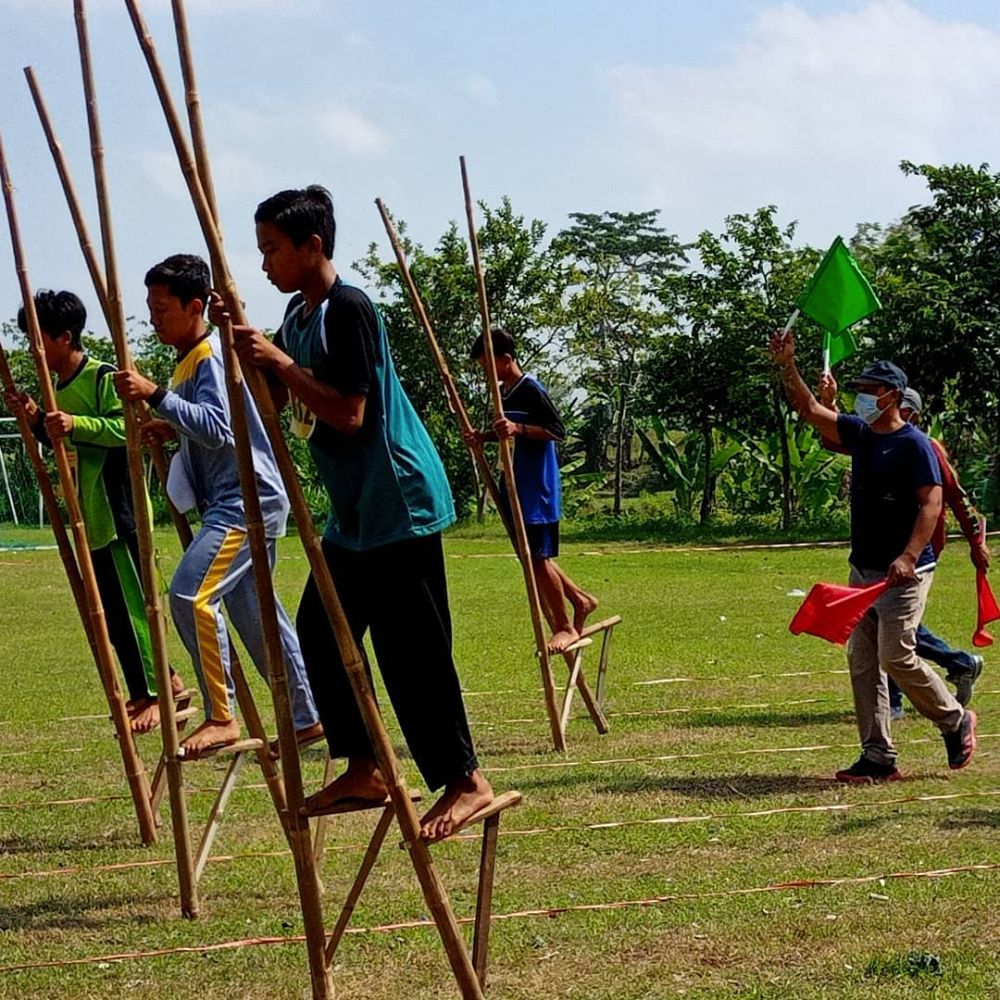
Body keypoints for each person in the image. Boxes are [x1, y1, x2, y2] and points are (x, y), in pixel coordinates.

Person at [225, 185, 492, 840]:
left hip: (398, 501)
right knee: (320, 632)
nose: (264, 265)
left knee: (413, 653)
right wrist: (239, 339)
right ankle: (366, 765)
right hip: (355, 516)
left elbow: (347, 413)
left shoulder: (350, 310)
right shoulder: (298, 315)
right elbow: (276, 395)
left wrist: (278, 361)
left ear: (311, 246)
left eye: (272, 251)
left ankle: (466, 782)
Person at [113, 254, 321, 757]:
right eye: (150, 308)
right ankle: (306, 717)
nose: (154, 317)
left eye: (162, 308)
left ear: (195, 305)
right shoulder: (192, 359)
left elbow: (217, 427)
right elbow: (207, 429)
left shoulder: (209, 355)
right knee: (259, 616)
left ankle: (220, 715)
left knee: (189, 595)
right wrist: (173, 425)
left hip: (245, 500)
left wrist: (157, 397)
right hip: (235, 499)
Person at [771, 330, 976, 783]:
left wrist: (907, 556)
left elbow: (931, 504)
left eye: (871, 391)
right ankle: (878, 756)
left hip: (904, 573)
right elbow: (809, 409)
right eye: (860, 391)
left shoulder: (916, 445)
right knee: (862, 662)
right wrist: (788, 364)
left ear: (894, 396)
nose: (863, 397)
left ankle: (954, 719)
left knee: (896, 656)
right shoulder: (861, 436)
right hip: (862, 570)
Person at [4, 289, 184, 733]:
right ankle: (151, 689)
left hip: (120, 512)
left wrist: (74, 423)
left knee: (135, 607)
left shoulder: (103, 377)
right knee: (111, 612)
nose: (33, 349)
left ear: (65, 337)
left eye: (38, 339)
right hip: (92, 519)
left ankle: (160, 691)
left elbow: (130, 429)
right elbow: (63, 441)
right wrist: (37, 420)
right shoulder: (57, 388)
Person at [818, 376, 987, 715]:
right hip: (879, 554)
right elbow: (834, 439)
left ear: (908, 411)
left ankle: (916, 692)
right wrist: (830, 405)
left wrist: (975, 541)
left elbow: (955, 496)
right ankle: (957, 664)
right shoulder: (874, 440)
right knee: (884, 625)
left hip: (915, 553)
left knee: (890, 630)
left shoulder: (924, 447)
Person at [465, 327, 598, 652]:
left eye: (487, 365)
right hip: (513, 487)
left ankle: (565, 625)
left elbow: (556, 431)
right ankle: (580, 600)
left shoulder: (531, 389)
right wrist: (484, 437)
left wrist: (518, 428)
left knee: (538, 558)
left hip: (535, 489)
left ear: (506, 359)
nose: (485, 373)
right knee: (531, 558)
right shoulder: (504, 393)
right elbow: (505, 431)